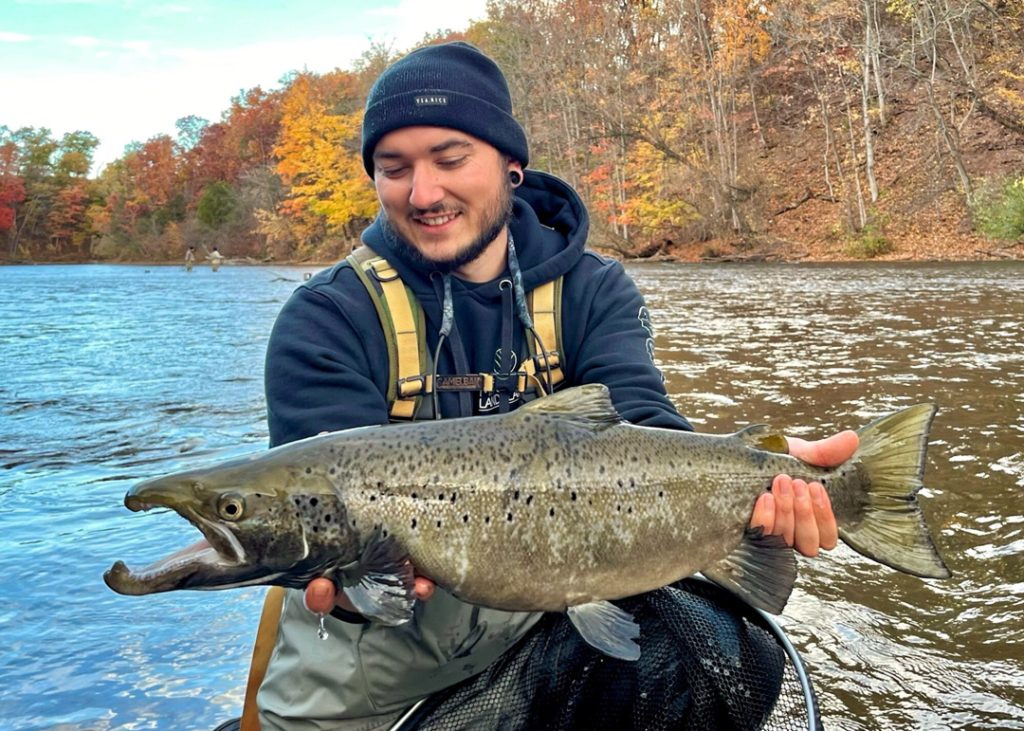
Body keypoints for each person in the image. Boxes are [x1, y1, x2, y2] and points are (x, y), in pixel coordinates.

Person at [259, 41, 857, 731]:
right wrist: (346, 587)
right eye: (394, 169)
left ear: (511, 167)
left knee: (694, 655)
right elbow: (316, 519)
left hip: (556, 617)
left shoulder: (591, 291)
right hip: (371, 658)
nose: (423, 193)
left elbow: (646, 428)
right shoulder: (327, 316)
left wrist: (765, 473)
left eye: (450, 160)